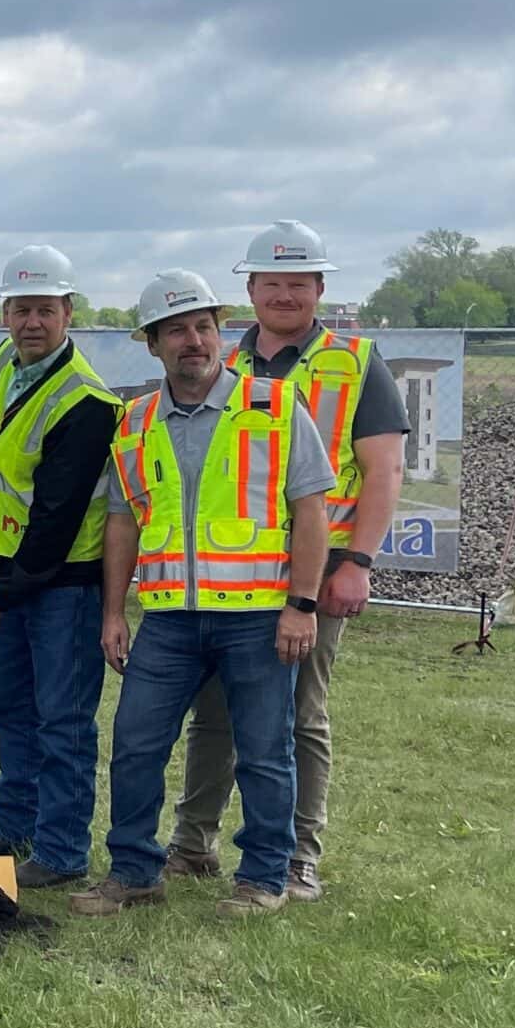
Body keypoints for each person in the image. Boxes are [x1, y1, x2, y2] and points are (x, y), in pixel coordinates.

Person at [74, 270, 334, 920]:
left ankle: (264, 878)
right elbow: (122, 521)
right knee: (134, 743)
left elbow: (311, 512)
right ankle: (135, 871)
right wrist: (113, 612)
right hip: (167, 621)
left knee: (264, 752)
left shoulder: (274, 406)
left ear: (221, 333)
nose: (193, 340)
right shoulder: (134, 423)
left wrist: (302, 604)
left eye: (202, 327)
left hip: (257, 619)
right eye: (176, 331)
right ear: (153, 345)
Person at [167, 220, 408, 901]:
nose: (283, 294)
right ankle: (193, 844)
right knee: (214, 710)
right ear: (250, 288)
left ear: (319, 289)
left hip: (320, 562)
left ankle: (300, 853)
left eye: (297, 283)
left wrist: (357, 561)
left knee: (301, 712)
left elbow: (383, 469)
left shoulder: (356, 362)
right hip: (231, 569)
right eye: (271, 282)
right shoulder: (222, 363)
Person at [0, 247, 120, 890]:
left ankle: (61, 849)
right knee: (9, 708)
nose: (33, 322)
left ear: (68, 312)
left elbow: (54, 523)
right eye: (22, 309)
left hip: (64, 584)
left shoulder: (86, 402)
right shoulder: (2, 363)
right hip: (11, 573)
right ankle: (16, 823)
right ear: (5, 313)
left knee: (63, 718)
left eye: (46, 310)